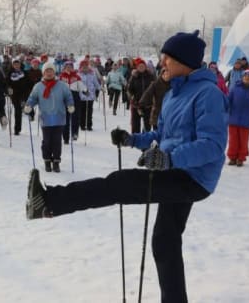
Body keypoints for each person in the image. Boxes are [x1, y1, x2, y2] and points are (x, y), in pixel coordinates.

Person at [26, 30, 229, 303]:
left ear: (185, 61)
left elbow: (212, 146)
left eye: (168, 57)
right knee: (165, 241)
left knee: (119, 184)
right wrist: (133, 140)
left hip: (192, 177)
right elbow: (162, 135)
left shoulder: (208, 94)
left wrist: (170, 159)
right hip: (175, 170)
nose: (162, 62)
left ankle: (49, 203)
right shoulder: (174, 93)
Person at [24, 62, 74, 173]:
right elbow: (33, 98)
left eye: (51, 70)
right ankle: (47, 160)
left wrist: (70, 105)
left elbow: (68, 96)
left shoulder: (61, 85)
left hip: (59, 117)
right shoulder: (38, 86)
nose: (49, 73)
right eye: (47, 71)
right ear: (43, 72)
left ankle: (56, 161)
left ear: (54, 72)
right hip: (45, 118)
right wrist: (29, 105)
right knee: (47, 141)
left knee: (57, 141)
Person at [59, 61, 86, 143]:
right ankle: (65, 137)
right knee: (65, 119)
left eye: (70, 66)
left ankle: (74, 133)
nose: (69, 68)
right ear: (64, 67)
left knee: (75, 117)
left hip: (75, 98)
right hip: (64, 99)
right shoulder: (61, 77)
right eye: (67, 66)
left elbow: (82, 86)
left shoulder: (77, 77)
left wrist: (85, 90)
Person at [127, 57, 156, 133]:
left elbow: (155, 88)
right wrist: (132, 98)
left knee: (147, 124)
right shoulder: (134, 77)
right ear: (137, 67)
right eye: (140, 66)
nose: (141, 67)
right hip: (136, 104)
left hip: (148, 104)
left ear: (145, 67)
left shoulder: (151, 76)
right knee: (135, 124)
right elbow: (129, 89)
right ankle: (135, 139)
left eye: (143, 66)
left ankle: (145, 138)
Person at [6, 59, 30, 135]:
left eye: (18, 64)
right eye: (15, 64)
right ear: (13, 65)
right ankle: (17, 129)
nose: (16, 66)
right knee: (17, 110)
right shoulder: (10, 73)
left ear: (20, 65)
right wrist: (8, 89)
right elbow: (6, 83)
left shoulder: (24, 72)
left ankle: (18, 128)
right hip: (14, 94)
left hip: (23, 93)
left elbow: (29, 82)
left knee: (20, 109)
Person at [79, 60, 101, 131]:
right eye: (83, 67)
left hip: (90, 96)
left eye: (86, 67)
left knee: (89, 111)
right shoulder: (78, 75)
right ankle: (82, 125)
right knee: (82, 112)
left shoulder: (92, 74)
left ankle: (89, 125)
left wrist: (101, 88)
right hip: (82, 96)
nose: (85, 68)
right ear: (81, 67)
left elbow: (96, 83)